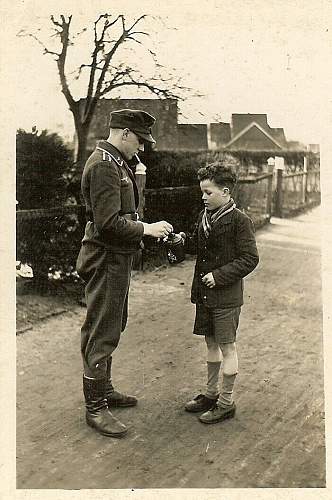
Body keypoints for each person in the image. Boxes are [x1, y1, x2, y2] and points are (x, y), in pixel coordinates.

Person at [76, 109, 173, 438]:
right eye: (140, 141)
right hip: (106, 258)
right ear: (125, 133)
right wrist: (146, 228)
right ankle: (95, 409)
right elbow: (108, 223)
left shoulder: (116, 162)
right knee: (103, 329)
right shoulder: (105, 164)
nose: (142, 148)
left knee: (112, 323)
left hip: (115, 258)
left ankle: (103, 390)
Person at [184, 161, 259, 424]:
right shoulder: (204, 217)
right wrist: (180, 241)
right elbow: (197, 247)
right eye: (202, 192)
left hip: (225, 296)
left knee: (227, 347)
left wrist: (219, 276)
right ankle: (211, 394)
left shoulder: (240, 221)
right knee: (210, 343)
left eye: (208, 192)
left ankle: (226, 402)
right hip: (205, 295)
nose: (203, 197)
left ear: (226, 192)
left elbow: (250, 258)